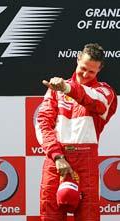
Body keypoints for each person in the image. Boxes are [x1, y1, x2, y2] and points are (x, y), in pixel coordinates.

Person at [35, 43, 117, 221]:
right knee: (50, 216)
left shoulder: (105, 92)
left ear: (99, 70)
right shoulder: (54, 91)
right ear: (77, 59)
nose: (86, 75)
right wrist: (57, 157)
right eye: (83, 68)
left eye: (92, 72)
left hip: (85, 162)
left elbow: (96, 102)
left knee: (88, 217)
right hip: (56, 161)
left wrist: (67, 88)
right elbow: (42, 123)